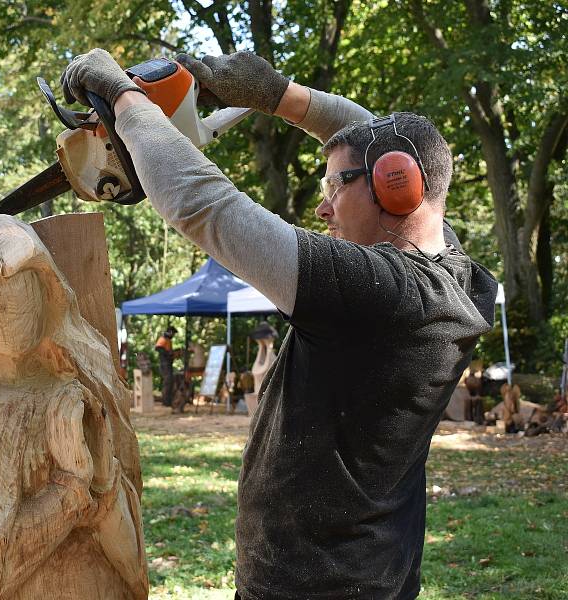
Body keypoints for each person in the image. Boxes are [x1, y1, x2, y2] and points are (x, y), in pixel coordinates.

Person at [60, 49, 497, 599]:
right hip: (364, 578)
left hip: (314, 587)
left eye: (335, 187)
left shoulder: (385, 292)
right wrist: (278, 96)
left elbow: (204, 206)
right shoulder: (454, 271)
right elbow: (374, 138)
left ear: (397, 186)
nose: (324, 209)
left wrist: (125, 99)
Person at [154, 325, 178, 407]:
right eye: (173, 333)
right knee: (167, 382)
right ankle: (165, 402)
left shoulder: (168, 340)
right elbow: (158, 348)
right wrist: (168, 354)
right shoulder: (163, 339)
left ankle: (168, 400)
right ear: (170, 332)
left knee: (170, 382)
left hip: (168, 364)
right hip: (164, 364)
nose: (174, 335)